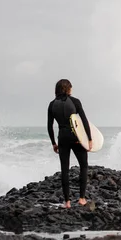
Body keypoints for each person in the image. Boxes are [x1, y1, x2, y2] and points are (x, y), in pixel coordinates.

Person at [47, 79, 93, 208]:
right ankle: (82, 199)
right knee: (83, 166)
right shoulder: (75, 101)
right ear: (68, 89)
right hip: (76, 137)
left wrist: (53, 143)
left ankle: (67, 202)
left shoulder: (52, 105)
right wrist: (89, 139)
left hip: (62, 138)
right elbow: (84, 120)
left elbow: (49, 126)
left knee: (64, 170)